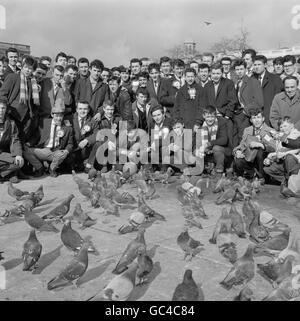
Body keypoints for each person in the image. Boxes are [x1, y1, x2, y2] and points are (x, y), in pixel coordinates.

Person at [23, 98, 74, 177]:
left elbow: (70, 144)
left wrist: (66, 151)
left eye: (61, 115)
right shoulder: (44, 122)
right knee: (25, 150)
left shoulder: (68, 128)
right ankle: (40, 168)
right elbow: (37, 136)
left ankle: (52, 169)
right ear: (52, 115)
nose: (59, 118)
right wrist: (29, 143)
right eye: (56, 115)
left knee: (62, 154)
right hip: (45, 150)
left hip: (57, 151)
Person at [0, 56, 40, 144]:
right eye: (25, 67)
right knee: (8, 140)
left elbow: (33, 102)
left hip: (26, 118)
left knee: (19, 142)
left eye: (30, 68)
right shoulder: (13, 77)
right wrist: (5, 110)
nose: (27, 70)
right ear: (21, 67)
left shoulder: (33, 82)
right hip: (12, 114)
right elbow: (2, 95)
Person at [233, 108, 273, 182]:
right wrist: (237, 151)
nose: (256, 120)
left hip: (262, 160)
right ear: (251, 120)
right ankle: (253, 173)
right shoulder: (247, 130)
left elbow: (274, 147)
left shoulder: (269, 130)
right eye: (254, 118)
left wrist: (261, 145)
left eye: (258, 117)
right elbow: (242, 144)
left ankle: (261, 177)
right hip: (250, 158)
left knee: (260, 151)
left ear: (263, 118)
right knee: (238, 161)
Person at [203, 62, 237, 148]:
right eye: (213, 73)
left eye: (218, 73)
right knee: (211, 141)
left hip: (224, 116)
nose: (215, 76)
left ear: (222, 73)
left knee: (228, 141)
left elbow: (233, 100)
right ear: (210, 73)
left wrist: (227, 116)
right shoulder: (207, 86)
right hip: (211, 119)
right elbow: (205, 103)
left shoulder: (228, 83)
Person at [233, 59, 264, 146]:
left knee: (246, 139)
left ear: (246, 69)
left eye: (241, 69)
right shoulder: (236, 82)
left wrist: (245, 111)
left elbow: (260, 102)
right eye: (237, 69)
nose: (239, 72)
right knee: (237, 138)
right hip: (237, 115)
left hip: (247, 116)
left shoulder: (253, 82)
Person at [85, 100, 121, 175]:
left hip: (115, 144)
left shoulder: (117, 118)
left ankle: (112, 165)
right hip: (104, 143)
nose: (110, 112)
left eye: (112, 109)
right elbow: (98, 134)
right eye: (108, 109)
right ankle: (90, 164)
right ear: (104, 109)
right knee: (98, 144)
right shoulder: (99, 120)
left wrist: (115, 125)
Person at [263, 117, 300, 184]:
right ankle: (287, 180)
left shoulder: (297, 135)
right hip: (283, 162)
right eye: (281, 127)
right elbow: (280, 151)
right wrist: (270, 158)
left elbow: (297, 148)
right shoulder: (283, 136)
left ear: (292, 125)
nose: (283, 128)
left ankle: (292, 183)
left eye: (285, 126)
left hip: (295, 163)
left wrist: (283, 154)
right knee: (267, 169)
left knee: (289, 158)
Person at [196, 105, 230, 176]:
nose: (210, 119)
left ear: (215, 116)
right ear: (204, 116)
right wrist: (198, 150)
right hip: (207, 153)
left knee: (216, 148)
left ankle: (219, 172)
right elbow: (196, 142)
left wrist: (208, 144)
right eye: (208, 117)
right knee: (196, 152)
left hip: (222, 152)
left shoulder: (221, 123)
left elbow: (224, 140)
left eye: (212, 117)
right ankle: (207, 169)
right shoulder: (201, 126)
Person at [252, 55, 283, 126]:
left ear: (265, 65)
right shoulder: (251, 79)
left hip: (270, 117)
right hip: (256, 118)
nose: (257, 67)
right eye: (255, 65)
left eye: (259, 64)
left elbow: (279, 99)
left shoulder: (275, 79)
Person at [0, 98, 24, 183]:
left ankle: (4, 174)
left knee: (19, 162)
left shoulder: (11, 123)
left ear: (6, 109)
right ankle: (9, 174)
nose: (0, 111)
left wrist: (18, 154)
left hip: (2, 155)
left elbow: (15, 140)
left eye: (3, 108)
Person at [70, 100, 96, 171]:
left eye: (85, 109)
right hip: (73, 150)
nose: (82, 111)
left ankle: (87, 163)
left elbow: (97, 134)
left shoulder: (93, 121)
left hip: (86, 151)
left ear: (88, 110)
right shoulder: (70, 119)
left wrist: (87, 140)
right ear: (76, 110)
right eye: (80, 109)